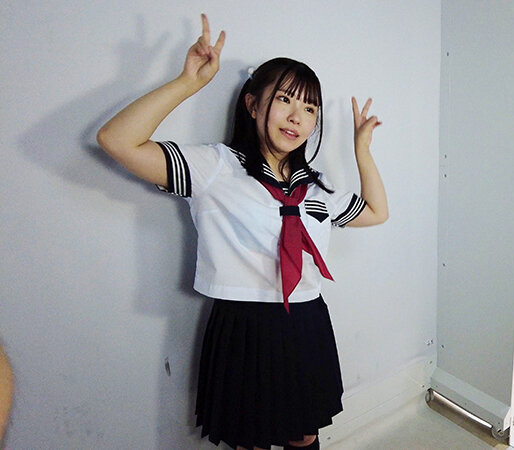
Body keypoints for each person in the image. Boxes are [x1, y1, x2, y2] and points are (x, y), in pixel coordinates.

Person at [96, 14, 387, 450]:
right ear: (253, 105)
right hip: (244, 326)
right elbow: (116, 141)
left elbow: (377, 212)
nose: (297, 117)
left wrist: (361, 149)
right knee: (250, 439)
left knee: (305, 435)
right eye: (285, 100)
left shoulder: (316, 187)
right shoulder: (215, 167)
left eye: (310, 109)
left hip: (307, 321)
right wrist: (188, 83)